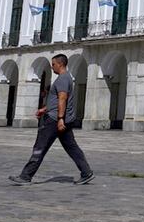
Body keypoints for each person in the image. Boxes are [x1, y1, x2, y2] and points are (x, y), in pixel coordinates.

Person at [9, 53, 94, 186]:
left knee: (40, 147)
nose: (52, 67)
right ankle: (86, 172)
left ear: (60, 64)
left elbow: (62, 99)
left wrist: (60, 119)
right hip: (59, 119)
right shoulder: (65, 78)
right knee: (72, 148)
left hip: (54, 121)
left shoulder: (62, 79)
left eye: (53, 64)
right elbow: (57, 101)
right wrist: (45, 109)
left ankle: (25, 176)